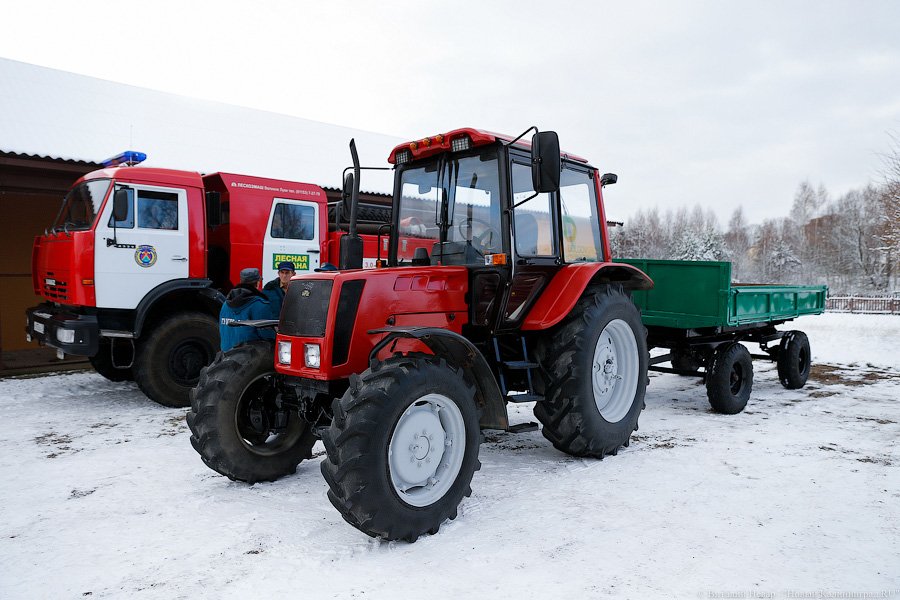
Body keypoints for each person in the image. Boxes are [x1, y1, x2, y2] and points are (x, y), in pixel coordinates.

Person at [219, 268, 275, 352]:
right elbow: (267, 336)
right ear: (257, 283)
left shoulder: (226, 304)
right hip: (249, 359)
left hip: (226, 357)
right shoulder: (260, 304)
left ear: (241, 281)